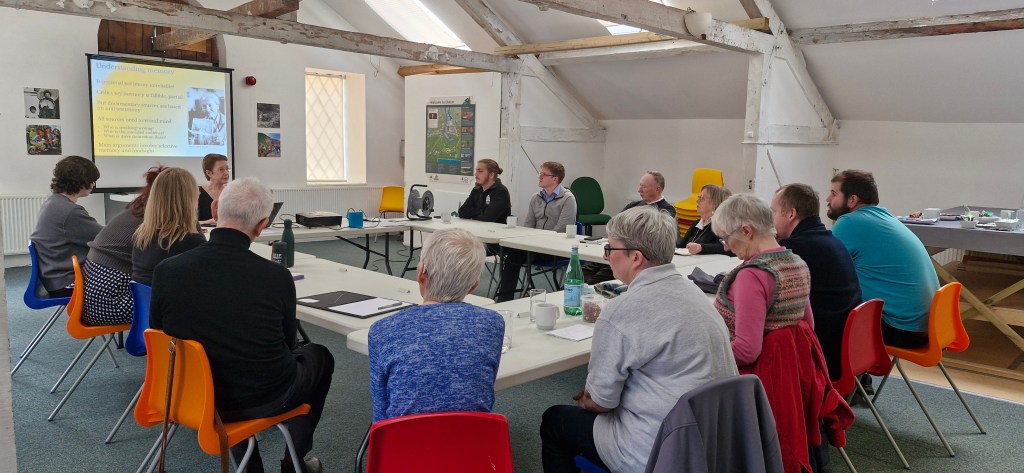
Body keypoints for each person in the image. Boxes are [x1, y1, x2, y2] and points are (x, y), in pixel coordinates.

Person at [149, 177, 333, 473]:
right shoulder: (275, 277)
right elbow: (289, 346)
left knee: (218, 355)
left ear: (215, 208)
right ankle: (294, 462)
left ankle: (250, 467)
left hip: (190, 395)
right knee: (320, 356)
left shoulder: (166, 271)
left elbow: (160, 337)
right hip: (263, 398)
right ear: (262, 227)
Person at [540, 207, 737, 473]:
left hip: (656, 448)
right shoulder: (698, 298)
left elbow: (601, 402)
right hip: (710, 443)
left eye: (610, 249)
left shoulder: (622, 309)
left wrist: (588, 398)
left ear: (635, 257)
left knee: (554, 421)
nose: (605, 256)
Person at [368, 228, 504, 422]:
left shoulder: (382, 330)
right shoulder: (493, 323)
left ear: (421, 272)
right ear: (473, 286)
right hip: (474, 446)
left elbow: (381, 415)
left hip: (403, 448)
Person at [827, 170, 939, 349]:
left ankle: (839, 376)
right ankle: (856, 375)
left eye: (833, 194)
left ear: (852, 200)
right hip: (929, 327)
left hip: (901, 329)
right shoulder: (884, 217)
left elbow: (823, 268)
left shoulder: (850, 222)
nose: (828, 199)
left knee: (824, 311)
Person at [710, 194, 814, 369]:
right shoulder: (798, 264)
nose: (726, 246)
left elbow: (746, 351)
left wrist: (706, 354)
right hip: (787, 373)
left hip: (751, 379)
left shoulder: (751, 276)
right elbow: (807, 328)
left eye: (726, 238)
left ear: (746, 231)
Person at [771, 184, 862, 379]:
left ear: (791, 214)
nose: (771, 219)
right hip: (851, 349)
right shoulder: (831, 240)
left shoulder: (794, 249)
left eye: (774, 212)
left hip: (824, 355)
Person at [82, 166, 165, 326]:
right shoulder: (152, 219)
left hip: (93, 298)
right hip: (109, 303)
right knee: (182, 303)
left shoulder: (138, 209)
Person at [494, 161, 578, 302]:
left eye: (543, 174)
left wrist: (538, 239)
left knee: (514, 258)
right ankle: (505, 299)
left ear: (555, 179)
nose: (539, 177)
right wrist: (527, 239)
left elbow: (562, 228)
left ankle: (504, 298)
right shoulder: (536, 197)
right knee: (510, 256)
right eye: (540, 173)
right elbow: (528, 225)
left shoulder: (568, 199)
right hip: (533, 244)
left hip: (554, 245)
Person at [582, 171, 674, 284]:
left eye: (644, 187)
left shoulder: (666, 211)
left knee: (593, 281)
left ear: (657, 189)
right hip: (616, 249)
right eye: (640, 185)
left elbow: (644, 236)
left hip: (629, 255)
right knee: (581, 273)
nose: (639, 190)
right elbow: (615, 225)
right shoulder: (634, 205)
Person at [30, 156, 103, 297]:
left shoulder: (53, 202)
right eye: (92, 180)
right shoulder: (69, 211)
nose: (94, 184)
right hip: (66, 281)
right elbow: (107, 238)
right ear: (80, 181)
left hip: (54, 277)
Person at [131, 168, 207, 286]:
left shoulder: (141, 236)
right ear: (190, 199)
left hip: (147, 303)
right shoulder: (191, 242)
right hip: (177, 303)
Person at [677, 184, 732, 255]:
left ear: (715, 203)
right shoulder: (696, 223)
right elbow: (680, 247)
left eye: (701, 198)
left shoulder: (721, 225)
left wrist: (701, 248)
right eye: (698, 197)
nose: (697, 200)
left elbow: (725, 248)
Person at [458, 158, 511, 223]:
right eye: (476, 171)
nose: (476, 174)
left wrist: (472, 214)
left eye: (480, 171)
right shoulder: (476, 190)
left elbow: (487, 218)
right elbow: (462, 212)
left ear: (491, 175)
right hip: (477, 229)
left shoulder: (501, 192)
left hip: (496, 231)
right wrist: (481, 211)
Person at [198, 153, 229, 225]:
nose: (226, 173)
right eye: (221, 170)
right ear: (209, 173)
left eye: (227, 169)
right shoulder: (197, 193)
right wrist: (209, 222)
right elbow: (188, 223)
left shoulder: (231, 192)